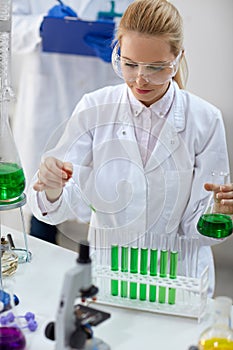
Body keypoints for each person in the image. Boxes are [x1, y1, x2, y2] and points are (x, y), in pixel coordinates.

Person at [28, 0, 231, 296]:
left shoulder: (205, 120)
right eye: (130, 64)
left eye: (156, 68)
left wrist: (220, 213)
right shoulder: (95, 108)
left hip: (180, 283)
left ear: (177, 59)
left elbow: (196, 229)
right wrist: (52, 186)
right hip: (108, 279)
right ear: (117, 54)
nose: (140, 79)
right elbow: (59, 209)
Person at [11, 0, 133, 243]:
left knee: (108, 202)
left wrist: (125, 48)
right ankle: (42, 268)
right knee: (43, 200)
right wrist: (40, 25)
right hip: (48, 100)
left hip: (104, 101)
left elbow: (148, 30)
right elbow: (9, 28)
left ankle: (102, 273)